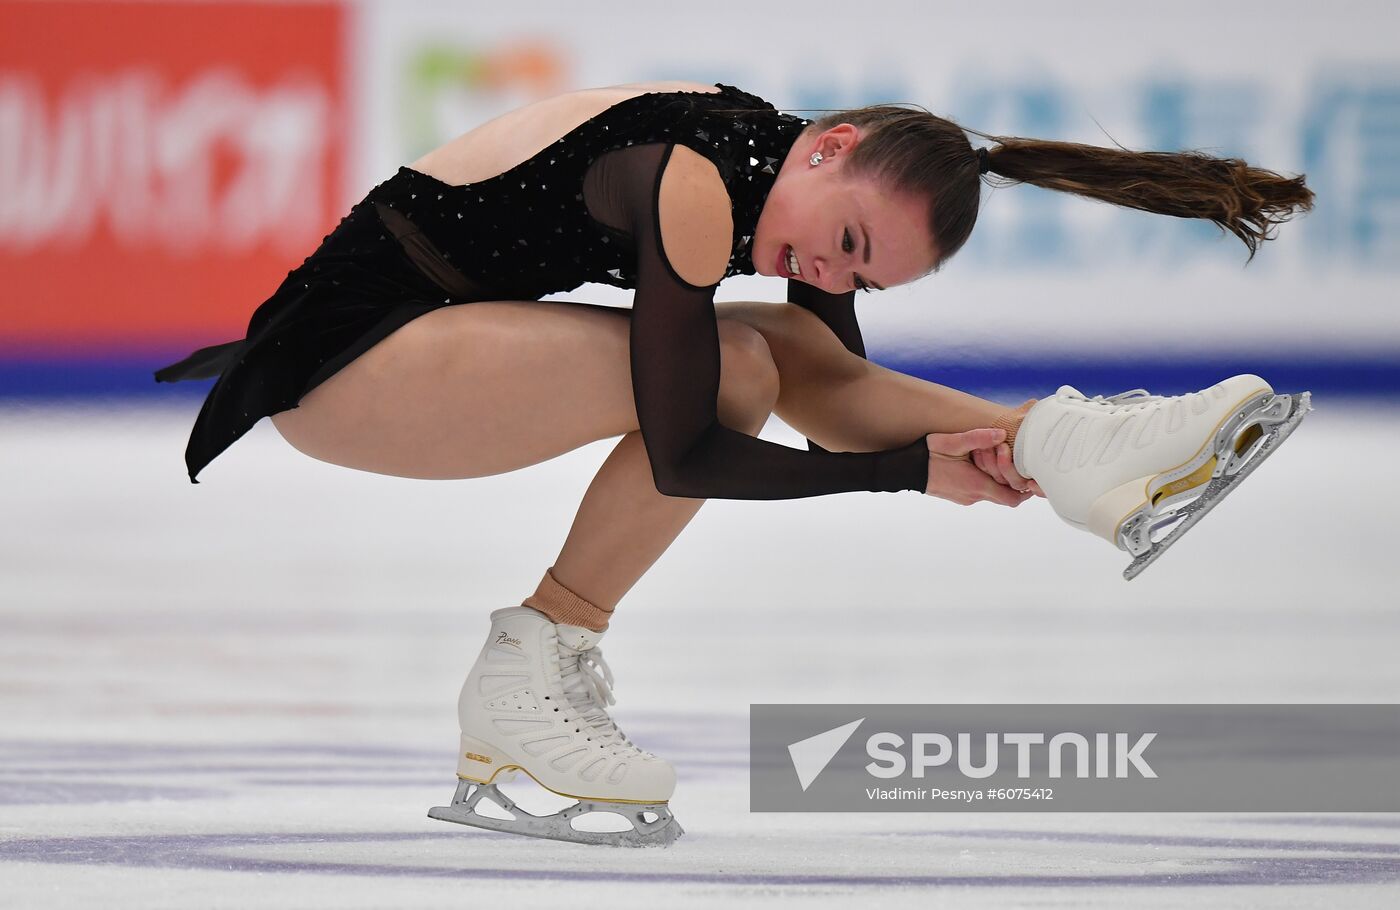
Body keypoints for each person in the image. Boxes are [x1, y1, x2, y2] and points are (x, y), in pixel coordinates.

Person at [154, 80, 1314, 846]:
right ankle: (530, 666)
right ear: (832, 146)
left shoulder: (780, 172)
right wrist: (908, 470)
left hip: (418, 350)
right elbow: (693, 446)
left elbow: (829, 393)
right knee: (739, 367)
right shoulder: (698, 177)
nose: (828, 264)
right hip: (343, 369)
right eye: (846, 240)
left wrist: (979, 453)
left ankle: (1077, 450)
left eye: (861, 275)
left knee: (780, 348)